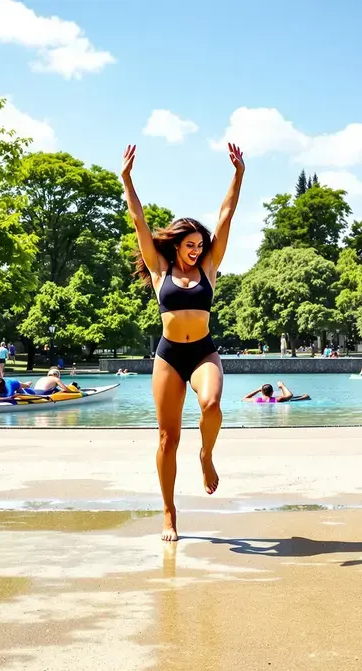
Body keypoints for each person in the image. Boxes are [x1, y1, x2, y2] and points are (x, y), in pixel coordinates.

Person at [123, 141, 244, 541]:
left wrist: (238, 174)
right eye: (189, 245)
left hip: (203, 351)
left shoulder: (209, 268)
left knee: (211, 405)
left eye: (199, 245)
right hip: (169, 356)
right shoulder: (160, 270)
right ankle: (169, 513)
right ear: (176, 245)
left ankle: (206, 454)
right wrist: (127, 180)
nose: (196, 250)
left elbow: (226, 215)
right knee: (167, 438)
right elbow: (139, 221)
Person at [242, 381, 308, 403]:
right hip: (277, 404)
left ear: (262, 392)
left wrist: (257, 390)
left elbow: (244, 399)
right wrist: (282, 386)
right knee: (305, 397)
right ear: (272, 392)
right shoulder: (277, 399)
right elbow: (290, 395)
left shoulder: (257, 400)